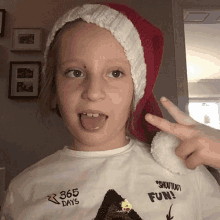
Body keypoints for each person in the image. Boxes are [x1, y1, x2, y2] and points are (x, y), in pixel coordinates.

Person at [1, 2, 220, 220]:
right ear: (54, 86)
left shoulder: (188, 173)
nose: (93, 92)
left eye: (115, 73)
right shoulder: (23, 191)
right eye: (75, 72)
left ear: (137, 89)